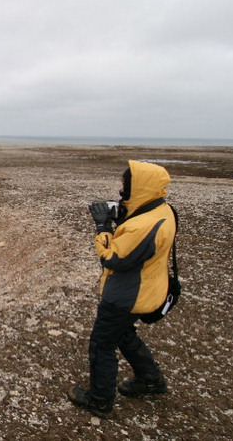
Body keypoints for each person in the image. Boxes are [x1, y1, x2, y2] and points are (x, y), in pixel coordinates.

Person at [68, 160, 177, 418]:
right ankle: (150, 379)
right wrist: (120, 215)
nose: (121, 190)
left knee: (102, 344)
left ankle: (99, 400)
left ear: (138, 187)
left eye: (125, 185)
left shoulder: (143, 226)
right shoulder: (162, 210)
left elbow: (112, 258)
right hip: (148, 289)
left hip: (126, 295)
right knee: (124, 334)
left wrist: (103, 228)